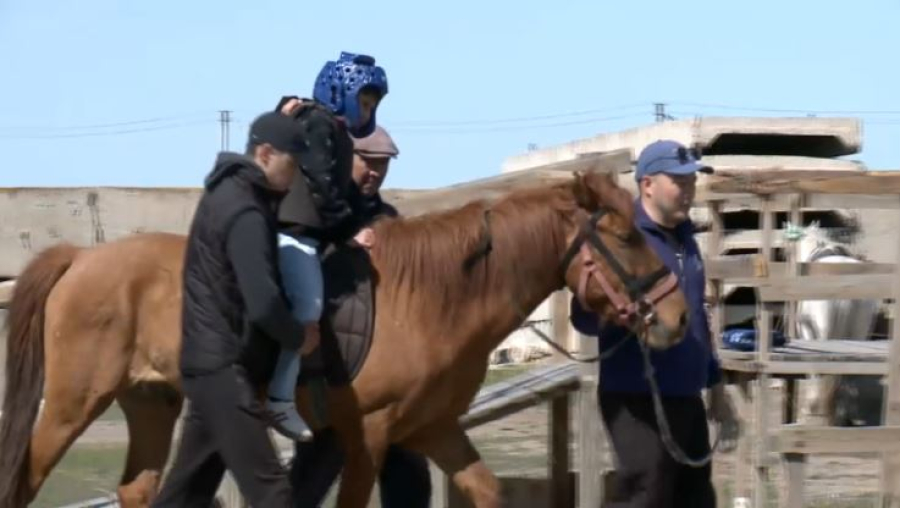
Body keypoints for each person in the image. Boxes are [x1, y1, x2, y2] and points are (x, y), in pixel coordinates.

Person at [151, 111, 319, 507]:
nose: (295, 178)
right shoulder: (245, 211)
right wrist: (299, 337)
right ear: (264, 153)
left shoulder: (225, 194)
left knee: (186, 496)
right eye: (291, 165)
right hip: (223, 368)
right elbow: (262, 304)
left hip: (208, 364)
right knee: (272, 493)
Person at [569, 139, 740, 508]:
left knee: (696, 499)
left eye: (692, 182)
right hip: (636, 396)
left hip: (686, 394)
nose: (689, 190)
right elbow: (582, 316)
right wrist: (615, 314)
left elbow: (696, 316)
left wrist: (716, 387)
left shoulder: (686, 239)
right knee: (645, 497)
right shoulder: (622, 236)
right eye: (679, 182)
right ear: (647, 184)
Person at [263, 51, 389, 442]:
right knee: (309, 308)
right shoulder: (317, 122)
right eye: (363, 101)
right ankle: (279, 400)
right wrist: (349, 227)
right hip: (292, 233)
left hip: (309, 234)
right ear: (341, 91)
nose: (367, 111)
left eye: (372, 104)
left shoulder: (333, 129)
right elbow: (320, 182)